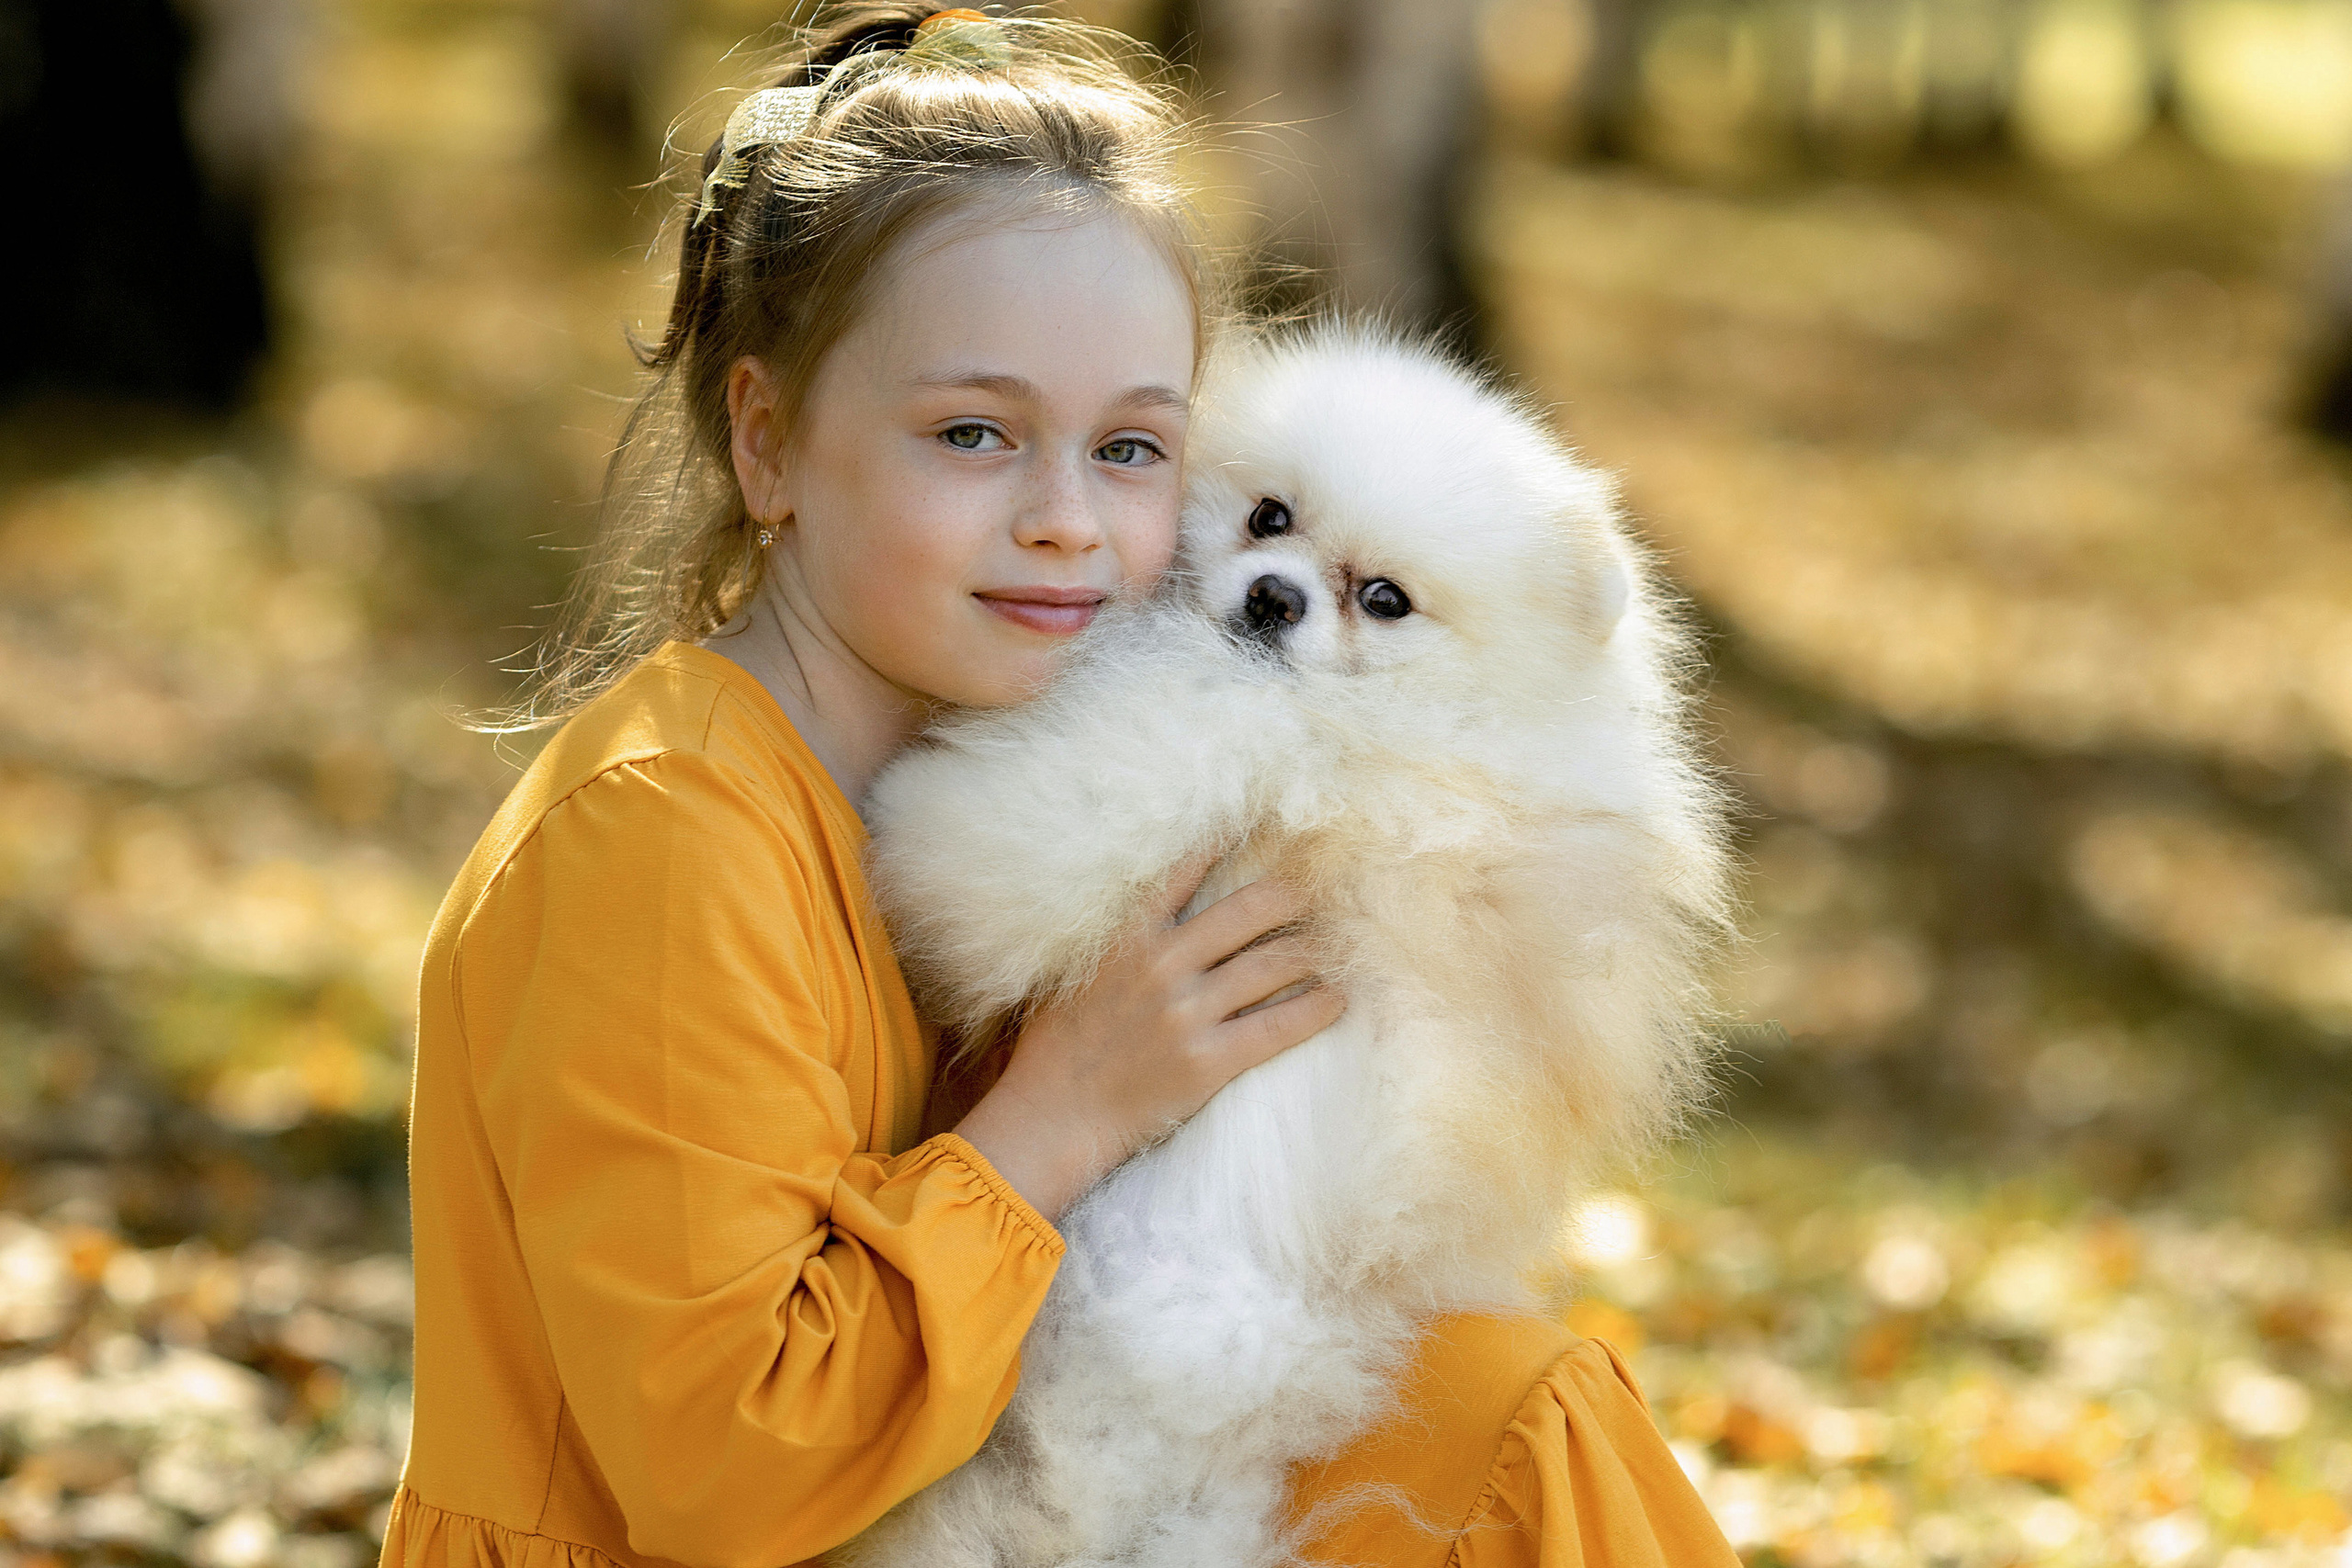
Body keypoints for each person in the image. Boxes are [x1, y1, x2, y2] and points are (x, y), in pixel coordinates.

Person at [379, 6, 1737, 1566]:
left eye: (1135, 450)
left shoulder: (959, 763)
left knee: (1521, 1415)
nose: (1066, 521)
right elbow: (722, 1468)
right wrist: (1070, 1108)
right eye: (975, 434)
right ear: (766, 443)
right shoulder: (662, 832)